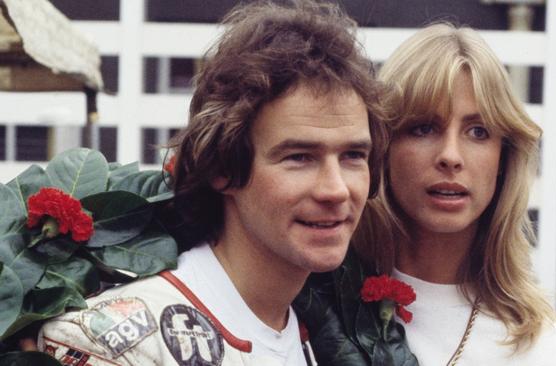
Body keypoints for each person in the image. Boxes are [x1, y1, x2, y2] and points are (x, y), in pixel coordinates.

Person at [36, 1, 389, 365]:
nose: (335, 190)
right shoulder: (112, 342)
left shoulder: (306, 334)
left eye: (353, 156)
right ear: (223, 169)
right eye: (299, 157)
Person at [297, 22, 556, 365]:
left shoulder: (541, 351)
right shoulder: (304, 296)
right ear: (382, 147)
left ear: (504, 158)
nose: (450, 155)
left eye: (478, 132)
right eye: (423, 128)